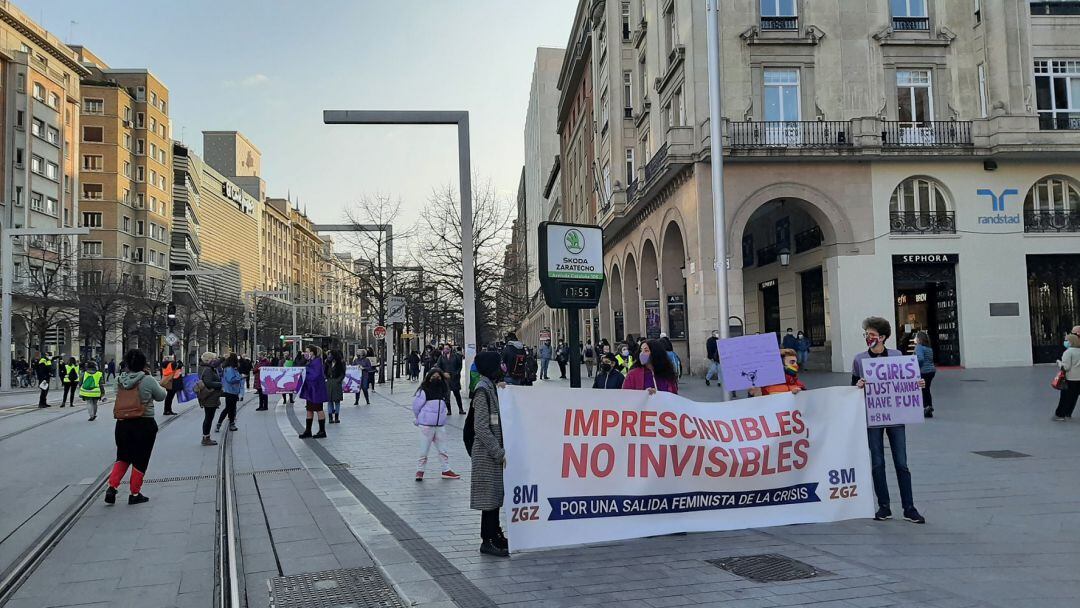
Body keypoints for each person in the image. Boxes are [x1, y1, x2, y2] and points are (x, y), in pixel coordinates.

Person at [853, 316, 926, 524]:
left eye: (872, 335)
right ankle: (884, 506)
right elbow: (852, 387)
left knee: (901, 463)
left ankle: (909, 507)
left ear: (883, 337)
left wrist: (918, 383)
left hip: (896, 416)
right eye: (866, 334)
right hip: (873, 416)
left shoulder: (897, 355)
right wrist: (857, 385)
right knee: (877, 462)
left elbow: (907, 381)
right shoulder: (860, 360)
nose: (868, 337)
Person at [105, 349, 170, 505]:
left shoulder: (119, 380)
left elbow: (117, 393)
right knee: (141, 459)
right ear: (143, 364)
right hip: (144, 423)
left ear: (126, 364)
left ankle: (112, 488)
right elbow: (161, 396)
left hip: (122, 424)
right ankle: (134, 493)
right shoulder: (147, 380)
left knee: (122, 457)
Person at [470, 351, 509, 557]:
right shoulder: (482, 390)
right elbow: (482, 428)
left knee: (495, 496)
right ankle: (487, 540)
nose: (502, 366)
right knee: (489, 499)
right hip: (486, 454)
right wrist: (498, 452)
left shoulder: (490, 387)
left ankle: (496, 533)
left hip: (492, 452)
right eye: (499, 363)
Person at [412, 370, 461, 481]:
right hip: (426, 425)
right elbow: (416, 407)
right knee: (424, 450)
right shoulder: (424, 390)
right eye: (433, 376)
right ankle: (420, 471)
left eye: (438, 377)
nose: (436, 379)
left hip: (439, 425)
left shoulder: (444, 390)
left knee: (443, 449)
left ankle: (446, 470)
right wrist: (419, 418)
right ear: (428, 378)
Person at [298, 345, 329, 439]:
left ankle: (322, 430)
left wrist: (305, 371)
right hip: (311, 389)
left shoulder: (317, 362)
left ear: (312, 352)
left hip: (316, 390)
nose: (305, 353)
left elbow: (315, 375)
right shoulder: (311, 362)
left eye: (307, 351)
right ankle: (308, 430)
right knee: (309, 409)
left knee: (318, 409)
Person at [1054, 329, 1080, 421]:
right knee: (1074, 397)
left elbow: (1066, 367)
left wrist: (1059, 363)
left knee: (1065, 397)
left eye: (1067, 340)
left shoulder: (1068, 352)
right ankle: (1068, 413)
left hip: (1071, 378)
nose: (1065, 342)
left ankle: (1060, 414)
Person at [198, 352, 223, 446]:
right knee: (209, 417)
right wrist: (220, 384)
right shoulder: (208, 369)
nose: (215, 360)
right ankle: (206, 438)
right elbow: (208, 382)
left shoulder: (203, 367)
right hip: (210, 396)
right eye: (214, 358)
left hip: (209, 396)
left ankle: (206, 437)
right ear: (209, 360)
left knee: (208, 417)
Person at [216, 354, 243, 433]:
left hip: (232, 391)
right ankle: (220, 423)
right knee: (228, 408)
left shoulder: (231, 368)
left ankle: (231, 423)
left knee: (231, 408)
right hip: (231, 391)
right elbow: (230, 379)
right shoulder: (230, 369)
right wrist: (240, 377)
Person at [435, 345, 465, 415]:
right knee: (446, 395)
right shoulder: (441, 357)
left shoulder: (456, 356)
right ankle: (449, 410)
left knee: (457, 394)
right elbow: (438, 367)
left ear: (450, 349)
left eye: (447, 348)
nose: (446, 350)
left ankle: (461, 409)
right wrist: (443, 373)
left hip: (455, 378)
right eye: (445, 348)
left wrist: (457, 373)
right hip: (446, 378)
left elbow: (459, 365)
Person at [914, 331, 936, 418]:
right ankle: (929, 407)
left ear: (919, 339)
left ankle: (926, 407)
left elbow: (920, 359)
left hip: (923, 371)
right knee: (927, 389)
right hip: (931, 371)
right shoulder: (929, 348)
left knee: (923, 390)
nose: (915, 339)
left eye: (916, 337)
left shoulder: (919, 347)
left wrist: (914, 365)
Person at [325, 349, 346, 424]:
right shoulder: (327, 362)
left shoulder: (340, 363)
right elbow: (324, 371)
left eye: (330, 354)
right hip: (329, 382)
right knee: (329, 401)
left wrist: (338, 380)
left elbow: (343, 373)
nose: (329, 356)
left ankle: (336, 417)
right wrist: (326, 378)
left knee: (337, 401)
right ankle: (330, 417)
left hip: (337, 383)